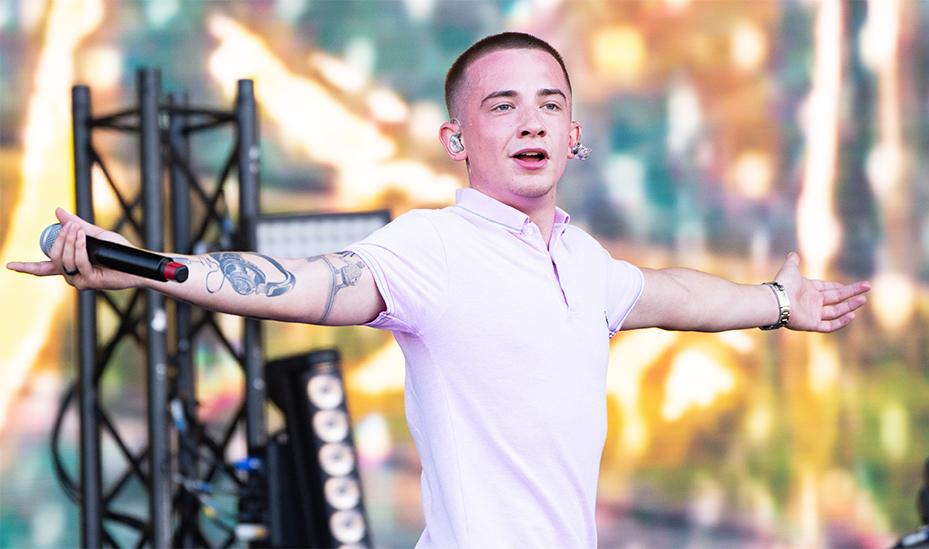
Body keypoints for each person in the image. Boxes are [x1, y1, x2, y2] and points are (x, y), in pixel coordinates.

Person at [8, 32, 870, 549]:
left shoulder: (588, 262)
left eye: (549, 104)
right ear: (457, 137)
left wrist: (776, 301)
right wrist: (135, 262)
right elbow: (303, 285)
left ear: (576, 136)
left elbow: (674, 296)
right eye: (502, 106)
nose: (530, 120)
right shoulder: (432, 247)